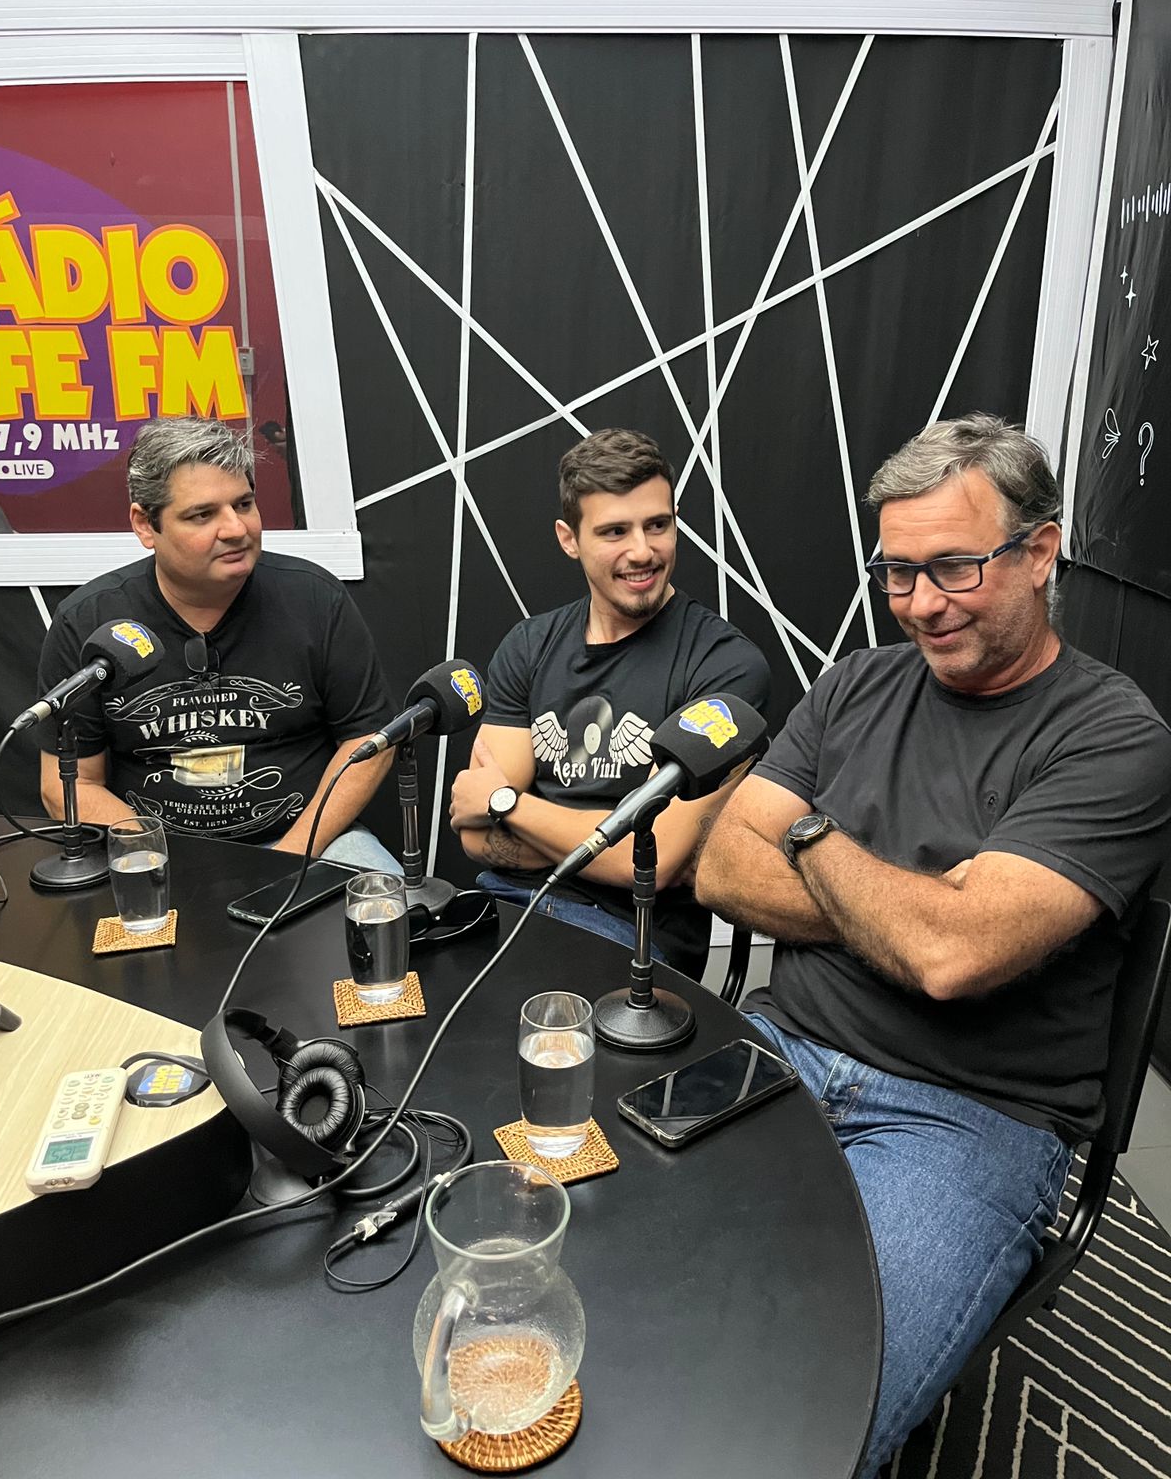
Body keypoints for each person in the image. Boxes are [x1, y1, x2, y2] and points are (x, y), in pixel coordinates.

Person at [695, 413, 1171, 1475]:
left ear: (1041, 551)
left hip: (967, 1116)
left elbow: (954, 960)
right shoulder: (858, 682)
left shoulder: (1116, 736)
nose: (920, 604)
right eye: (898, 573)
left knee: (808, 1415)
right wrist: (908, 910)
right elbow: (724, 867)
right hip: (786, 1043)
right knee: (599, 1264)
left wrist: (812, 833)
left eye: (954, 566)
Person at [449, 427, 771, 979]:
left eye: (658, 525)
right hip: (504, 901)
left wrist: (509, 804)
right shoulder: (529, 646)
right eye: (615, 531)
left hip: (632, 935)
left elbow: (651, 862)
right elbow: (477, 837)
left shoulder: (725, 667)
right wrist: (597, 843)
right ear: (568, 538)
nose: (642, 551)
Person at [36, 420, 400, 868]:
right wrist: (160, 857)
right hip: (151, 852)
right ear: (145, 525)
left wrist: (288, 857)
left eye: (244, 504)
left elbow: (369, 741)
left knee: (386, 907)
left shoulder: (315, 599)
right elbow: (67, 783)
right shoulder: (88, 622)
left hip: (305, 841)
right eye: (202, 515)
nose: (235, 529)